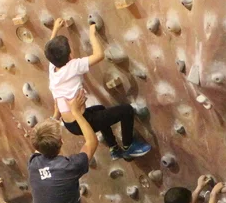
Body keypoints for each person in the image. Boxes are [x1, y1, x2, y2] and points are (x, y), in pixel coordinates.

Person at [44, 18, 151, 160]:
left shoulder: (53, 69)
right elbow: (99, 55)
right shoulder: (73, 66)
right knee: (126, 110)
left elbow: (49, 48)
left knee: (100, 109)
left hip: (69, 123)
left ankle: (114, 147)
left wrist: (55, 29)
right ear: (70, 55)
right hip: (83, 121)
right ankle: (128, 146)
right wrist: (92, 34)